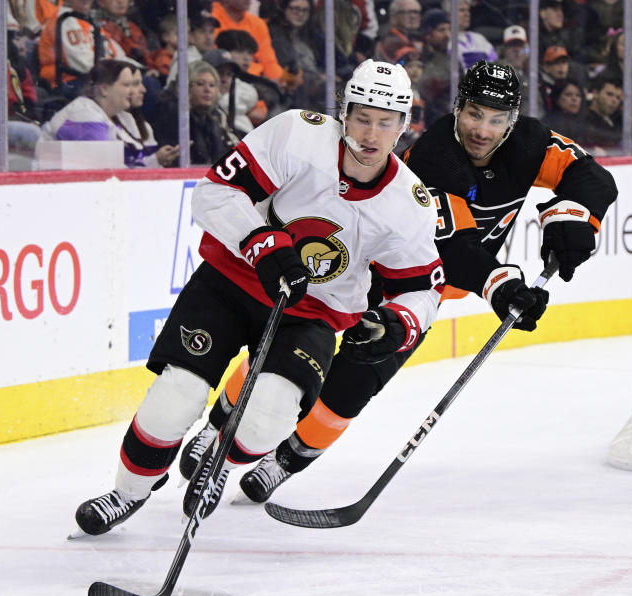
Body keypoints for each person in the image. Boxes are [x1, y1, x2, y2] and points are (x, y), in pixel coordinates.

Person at [73, 59, 446, 536]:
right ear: (343, 113)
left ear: (404, 126)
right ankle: (126, 493)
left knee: (269, 416)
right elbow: (214, 193)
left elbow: (419, 288)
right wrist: (263, 244)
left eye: (386, 122)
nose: (371, 133)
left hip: (311, 311)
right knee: (175, 396)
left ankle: (220, 466)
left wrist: (399, 322)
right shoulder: (297, 134)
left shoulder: (407, 201)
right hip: (232, 282)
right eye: (362, 117)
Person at [225, 61, 618, 506]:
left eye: (495, 119)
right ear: (456, 109)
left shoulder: (530, 141)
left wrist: (574, 217)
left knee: (356, 384)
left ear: (511, 120)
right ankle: (224, 424)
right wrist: (504, 283)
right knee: (291, 356)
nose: (482, 130)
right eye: (473, 114)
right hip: (371, 272)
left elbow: (590, 176)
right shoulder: (433, 159)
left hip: (418, 297)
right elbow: (455, 250)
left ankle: (287, 461)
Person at [38, 0, 130, 98]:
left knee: (141, 82)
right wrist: (120, 73)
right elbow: (85, 65)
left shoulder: (87, 21)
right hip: (70, 83)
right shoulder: (64, 20)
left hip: (93, 79)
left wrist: (136, 70)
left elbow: (119, 55)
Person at [114, 66, 179, 167]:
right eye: (135, 84)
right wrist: (156, 159)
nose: (143, 90)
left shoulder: (144, 126)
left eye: (141, 83)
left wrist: (161, 160)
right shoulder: (109, 125)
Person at [582, 74, 623, 154]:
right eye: (609, 94)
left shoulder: (618, 120)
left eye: (618, 97)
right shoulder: (585, 120)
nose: (614, 101)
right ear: (596, 93)